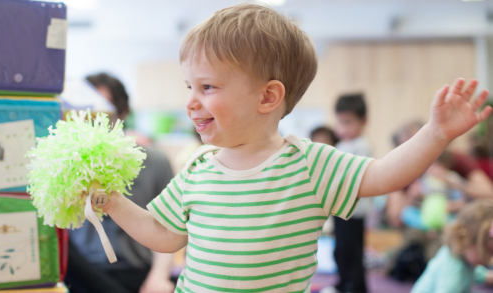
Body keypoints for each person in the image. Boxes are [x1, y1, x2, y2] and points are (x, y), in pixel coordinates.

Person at [87, 4, 491, 292]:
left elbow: (385, 174)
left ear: (267, 98)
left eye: (207, 86)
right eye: (189, 87)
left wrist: (436, 133)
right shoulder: (198, 169)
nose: (191, 100)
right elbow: (164, 234)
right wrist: (112, 202)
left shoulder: (309, 164)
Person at [65, 73, 176, 293]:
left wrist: (158, 277)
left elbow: (171, 226)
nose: (95, 121)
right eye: (87, 114)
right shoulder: (66, 163)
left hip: (138, 272)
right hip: (85, 274)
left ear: (122, 114)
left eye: (104, 112)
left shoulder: (154, 162)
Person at [329, 93, 372, 293]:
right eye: (340, 123)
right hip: (340, 207)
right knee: (340, 251)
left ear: (363, 121)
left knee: (352, 252)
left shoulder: (361, 145)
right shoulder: (341, 145)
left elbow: (352, 174)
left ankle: (355, 286)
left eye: (348, 122)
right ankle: (345, 281)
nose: (343, 128)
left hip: (354, 210)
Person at [411, 200, 493, 293]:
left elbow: (475, 274)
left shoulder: (460, 255)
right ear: (467, 240)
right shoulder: (453, 271)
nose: (489, 259)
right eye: (488, 252)